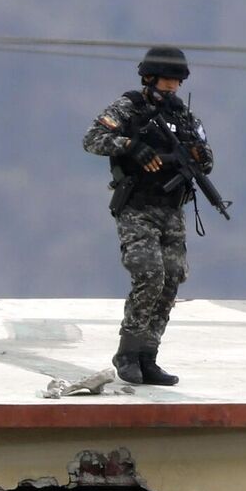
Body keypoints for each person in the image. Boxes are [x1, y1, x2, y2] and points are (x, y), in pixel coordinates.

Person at [82, 45, 217, 386]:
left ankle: (148, 355)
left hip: (172, 210)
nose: (171, 87)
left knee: (171, 281)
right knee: (149, 275)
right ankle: (127, 353)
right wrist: (130, 146)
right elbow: (94, 138)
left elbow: (207, 160)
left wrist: (196, 156)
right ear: (149, 77)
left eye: (176, 81)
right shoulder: (130, 108)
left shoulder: (185, 118)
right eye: (166, 79)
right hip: (137, 207)